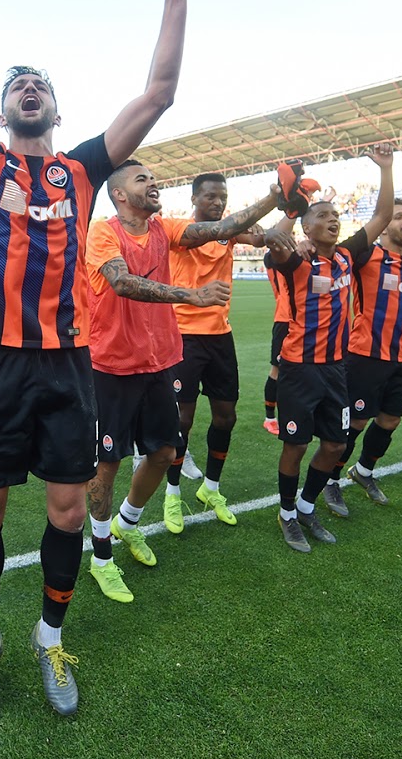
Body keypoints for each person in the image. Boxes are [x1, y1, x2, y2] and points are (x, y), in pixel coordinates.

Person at [0, 0, 194, 718]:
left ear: (56, 107)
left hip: (68, 361)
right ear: (2, 109)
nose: (27, 88)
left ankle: (49, 640)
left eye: (38, 83)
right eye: (17, 85)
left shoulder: (81, 169)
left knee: (69, 508)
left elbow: (158, 93)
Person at [85, 161, 280, 602]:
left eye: (153, 178)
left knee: (164, 453)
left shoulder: (165, 229)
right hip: (111, 366)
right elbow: (122, 282)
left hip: (159, 362)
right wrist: (191, 295)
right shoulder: (102, 232)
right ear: (119, 194)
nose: (152, 183)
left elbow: (222, 227)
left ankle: (126, 523)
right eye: (142, 179)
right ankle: (101, 558)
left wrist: (274, 198)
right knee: (107, 464)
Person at [265, 145, 394, 551]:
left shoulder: (346, 256)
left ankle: (306, 506)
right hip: (299, 368)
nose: (332, 220)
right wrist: (290, 215)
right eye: (322, 215)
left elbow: (382, 217)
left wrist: (386, 169)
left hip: (336, 368)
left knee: (336, 443)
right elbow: (273, 240)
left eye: (335, 215)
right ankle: (287, 513)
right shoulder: (298, 261)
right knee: (297, 444)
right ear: (306, 228)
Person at [165, 172, 274, 533]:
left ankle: (211, 488)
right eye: (210, 196)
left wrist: (269, 225)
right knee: (182, 420)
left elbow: (257, 237)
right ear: (194, 199)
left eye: (222, 197)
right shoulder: (181, 231)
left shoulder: (229, 231)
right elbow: (230, 228)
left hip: (220, 337)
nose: (217, 202)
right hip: (184, 336)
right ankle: (172, 493)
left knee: (226, 418)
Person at [336, 195, 402, 512]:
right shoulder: (368, 255)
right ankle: (330, 480)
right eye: (399, 216)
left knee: (390, 419)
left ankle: (363, 470)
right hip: (364, 355)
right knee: (356, 422)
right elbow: (340, 252)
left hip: (398, 358)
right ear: (383, 226)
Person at [262, 245, 293, 435]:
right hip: (284, 320)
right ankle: (270, 418)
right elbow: (273, 254)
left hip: (300, 320)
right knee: (277, 369)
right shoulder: (273, 257)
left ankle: (288, 414)